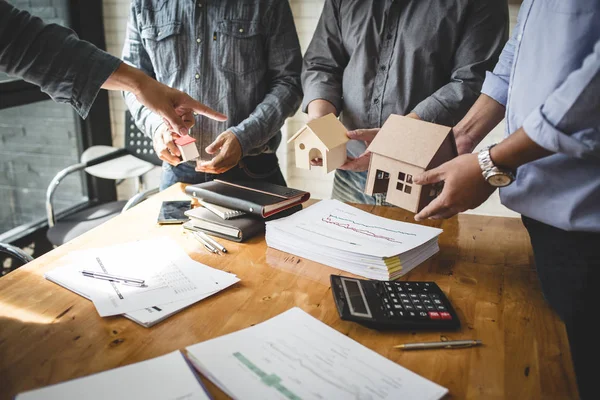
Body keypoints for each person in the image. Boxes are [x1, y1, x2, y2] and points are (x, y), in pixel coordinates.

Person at [413, 1, 599, 398]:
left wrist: (488, 163)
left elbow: (590, 92)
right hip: (547, 221)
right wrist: (459, 140)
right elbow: (516, 56)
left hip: (588, 227)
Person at [302, 0, 508, 204]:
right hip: (349, 177)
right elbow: (322, 63)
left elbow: (473, 80)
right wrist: (321, 122)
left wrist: (399, 134)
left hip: (424, 176)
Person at [123, 0, 303, 190]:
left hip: (252, 170)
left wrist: (245, 137)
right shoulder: (143, 4)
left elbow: (289, 81)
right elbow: (131, 84)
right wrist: (158, 126)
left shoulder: (268, 3)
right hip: (179, 171)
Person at [0, 1, 225, 132]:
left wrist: (139, 84)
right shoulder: (145, 5)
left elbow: (23, 41)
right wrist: (159, 129)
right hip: (177, 166)